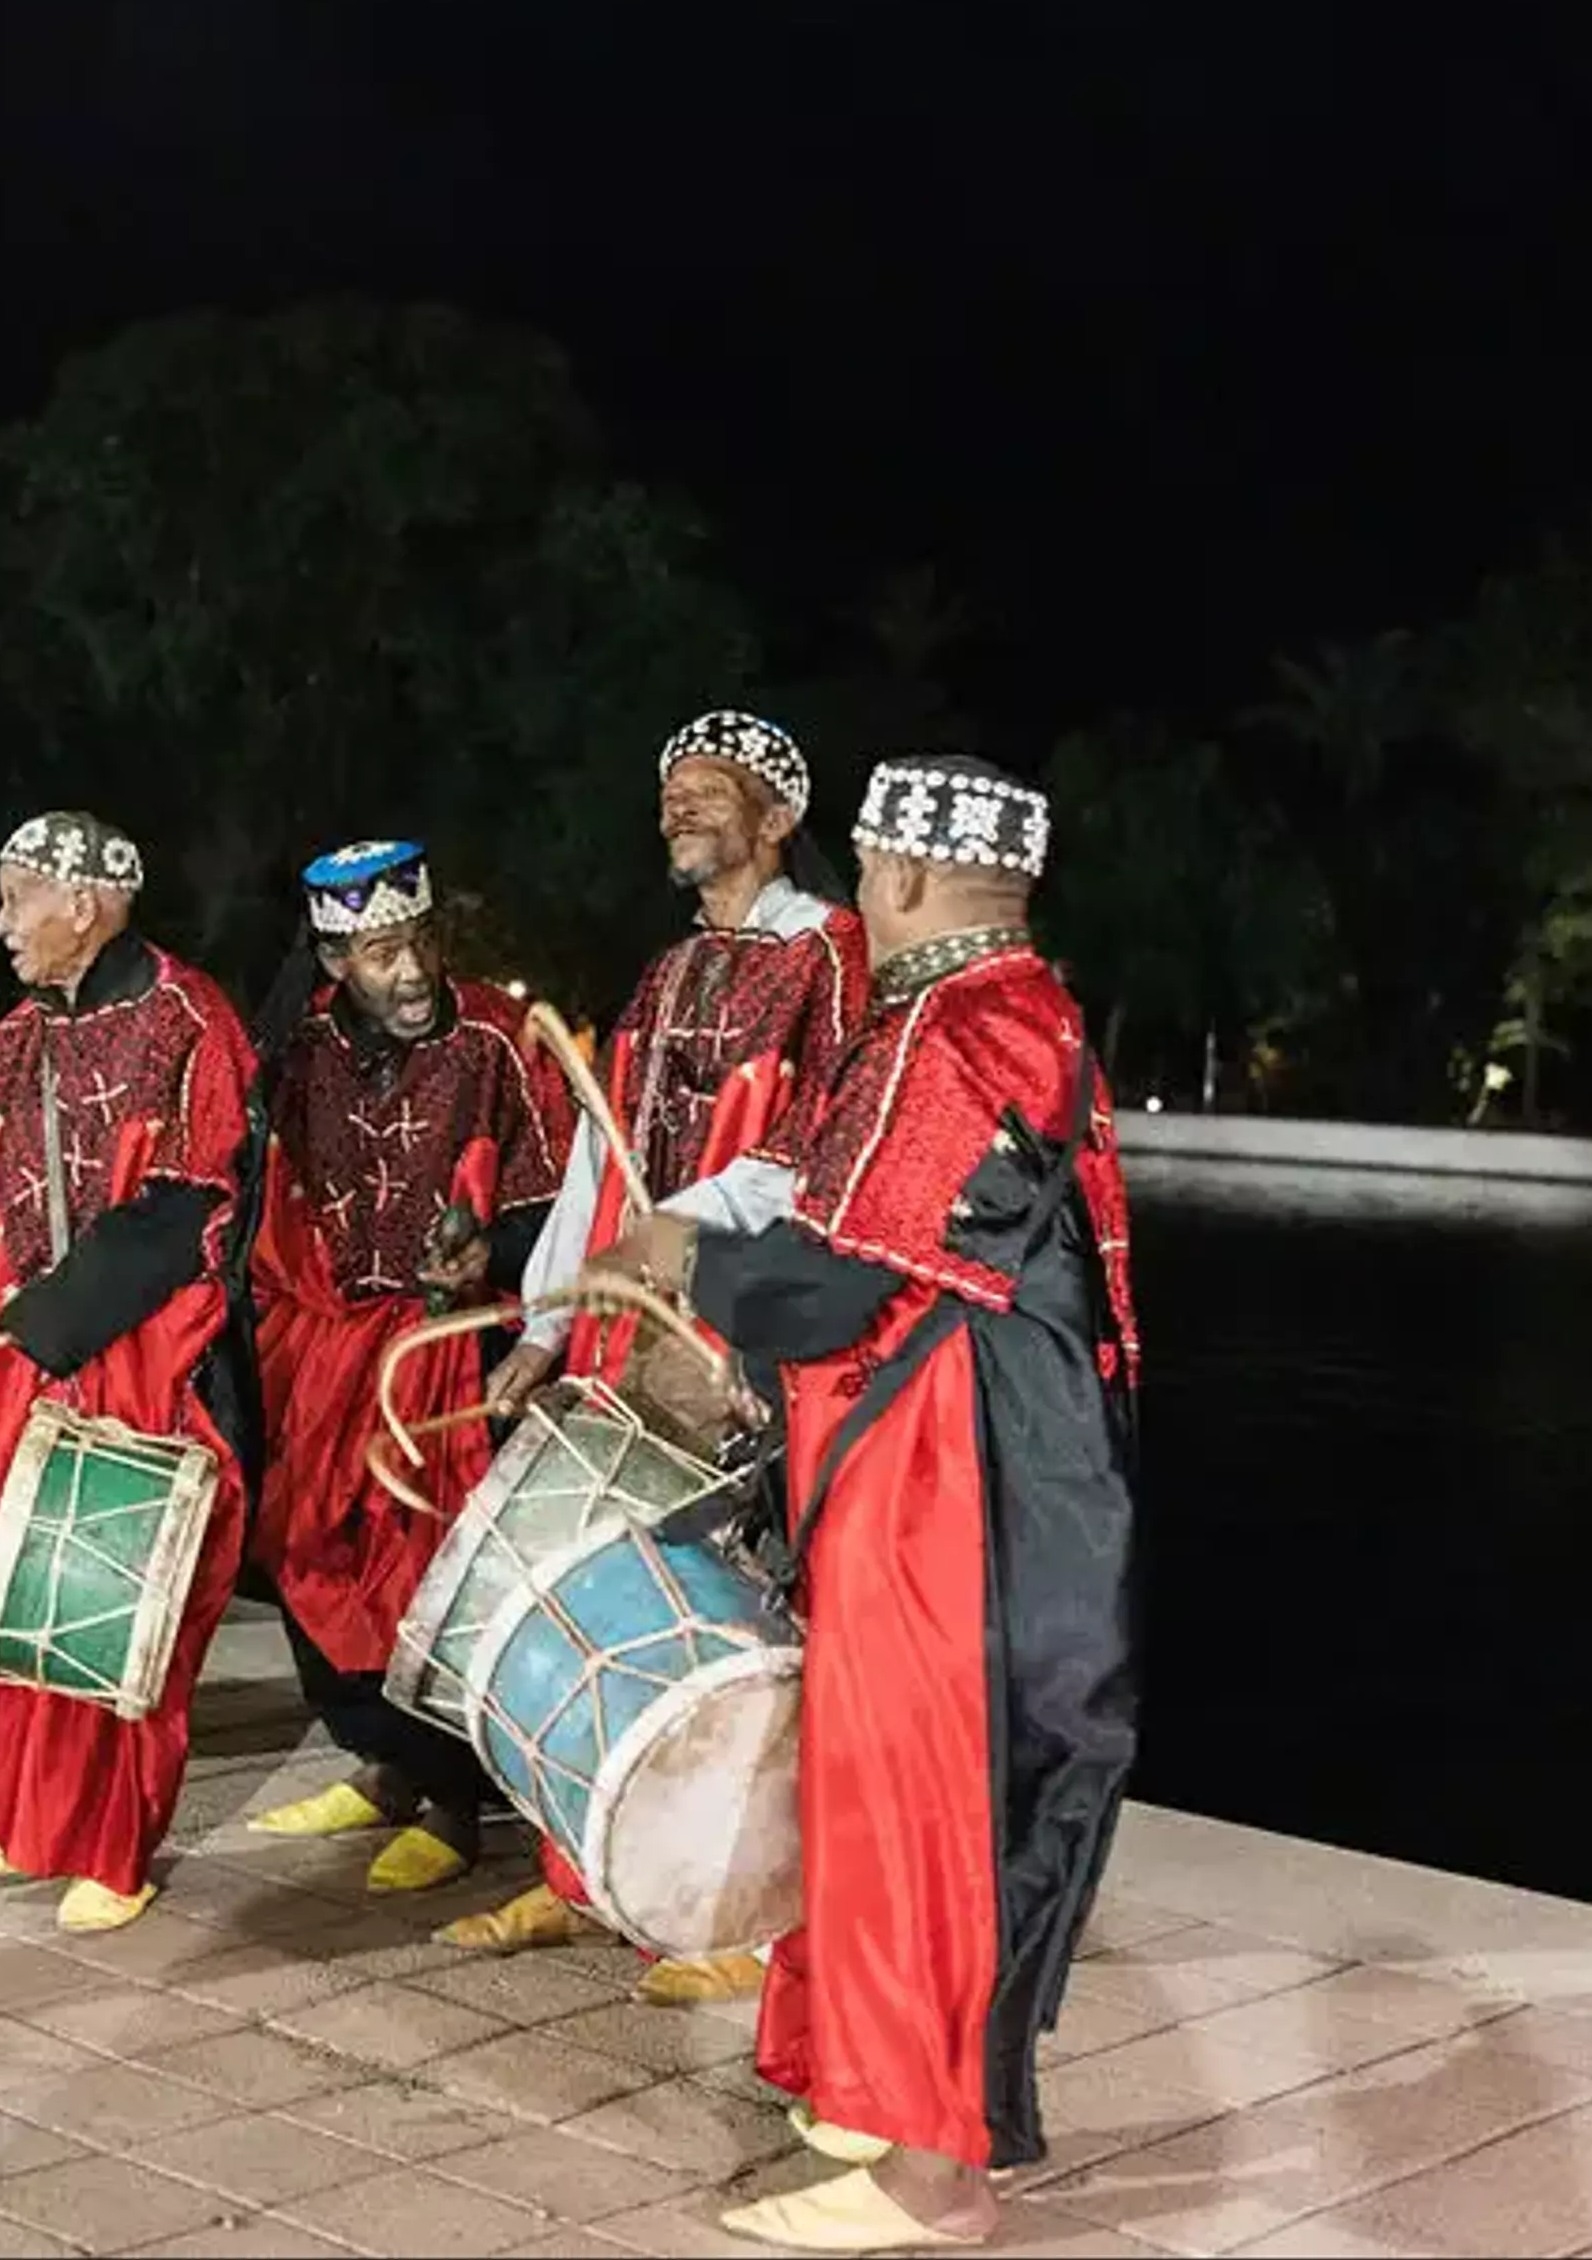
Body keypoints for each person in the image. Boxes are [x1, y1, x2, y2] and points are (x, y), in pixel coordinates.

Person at [602, 754, 1141, 2252]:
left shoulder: (946, 1031)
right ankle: (922, 2104)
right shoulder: (1037, 1013)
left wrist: (681, 1260)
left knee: (917, 1804)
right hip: (1012, 1471)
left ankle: (933, 2174)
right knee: (961, 1799)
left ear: (900, 882)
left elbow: (841, 1282)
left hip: (941, 1492)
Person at [447, 707, 869, 1997]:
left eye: (707, 790)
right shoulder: (667, 970)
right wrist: (550, 1321)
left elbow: (822, 1155)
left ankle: (744, 1911)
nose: (677, 808)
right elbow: (596, 1151)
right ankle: (592, 1872)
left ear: (778, 818)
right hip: (629, 1327)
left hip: (740, 1327)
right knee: (610, 1589)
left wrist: (683, 1233)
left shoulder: (833, 958)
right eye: (668, 789)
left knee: (742, 1607)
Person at [0, 810, 255, 1935]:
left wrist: (54, 1323)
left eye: (16, 895)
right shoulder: (13, 1039)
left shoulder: (187, 1018)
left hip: (140, 1351)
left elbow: (194, 1202)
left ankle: (112, 1843)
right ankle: (19, 1815)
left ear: (83, 901)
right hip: (15, 1352)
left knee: (113, 1606)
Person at [239, 841, 564, 1894]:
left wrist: (491, 1253)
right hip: (325, 1341)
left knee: (430, 1569)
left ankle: (457, 1798)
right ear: (335, 959)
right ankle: (380, 1759)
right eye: (381, 951)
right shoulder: (296, 1048)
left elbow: (561, 1200)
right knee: (312, 1548)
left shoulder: (500, 1040)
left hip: (447, 1346)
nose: (412, 971)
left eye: (419, 941)